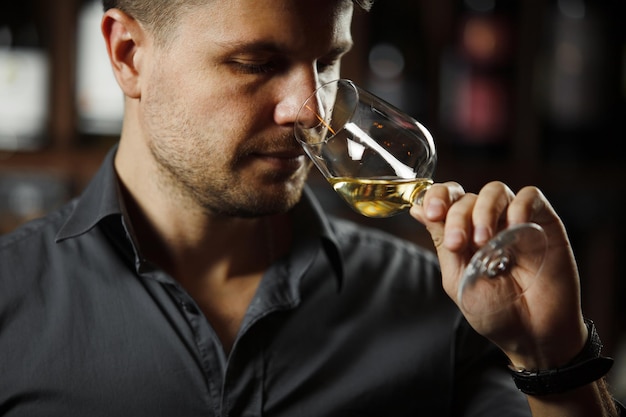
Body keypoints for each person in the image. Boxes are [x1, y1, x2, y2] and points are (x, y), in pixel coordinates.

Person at [0, 0, 622, 416]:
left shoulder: (445, 309)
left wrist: (553, 356)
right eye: (256, 63)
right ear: (128, 54)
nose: (314, 111)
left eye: (327, 62)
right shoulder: (11, 302)